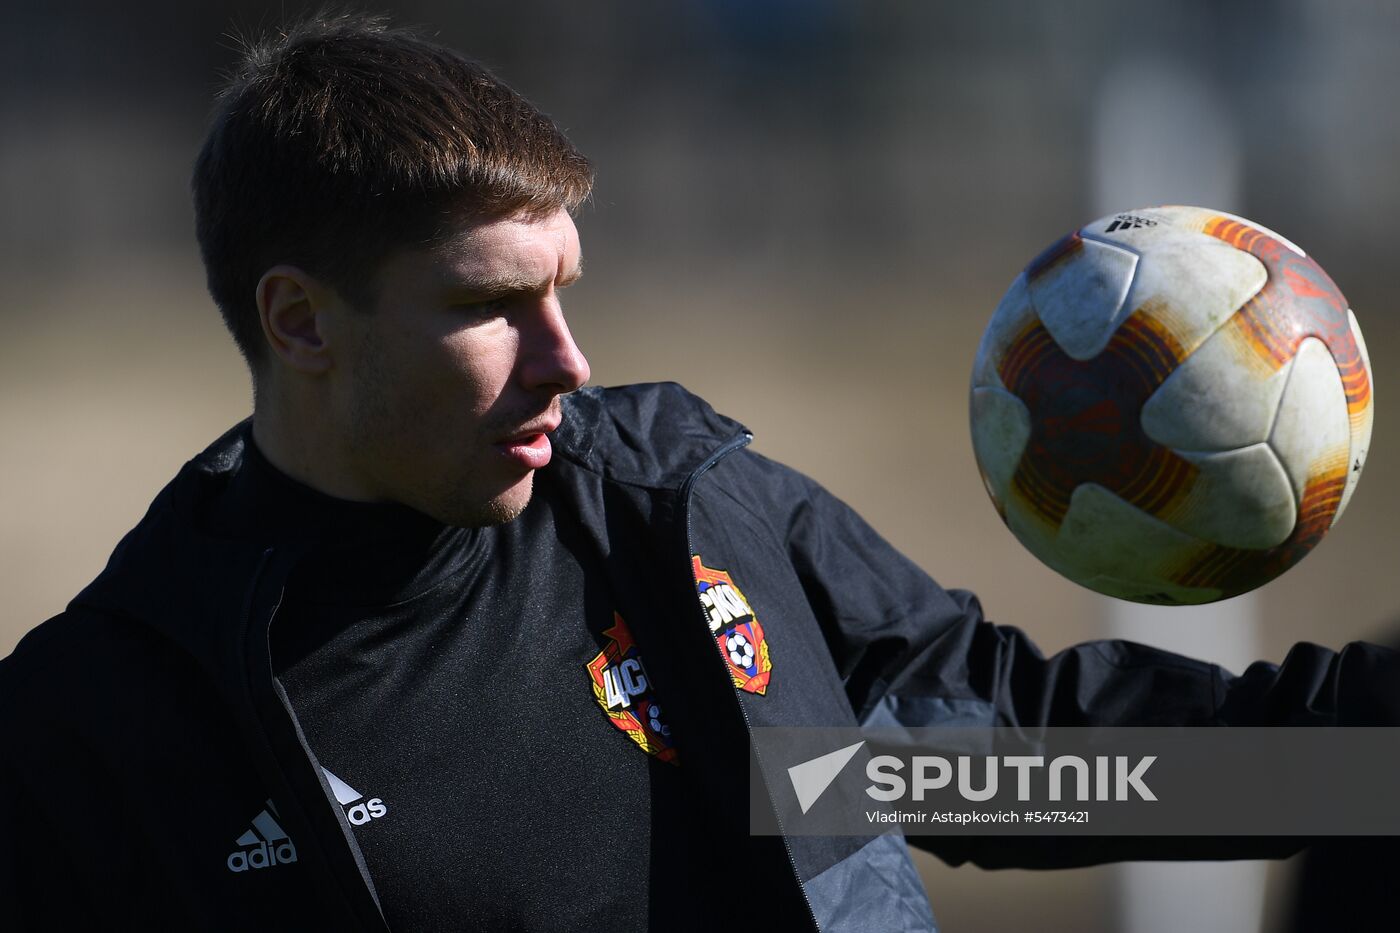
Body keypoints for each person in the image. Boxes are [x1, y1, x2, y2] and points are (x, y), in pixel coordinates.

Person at [1, 13, 1395, 932]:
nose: (571, 359)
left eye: (567, 290)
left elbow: (998, 762)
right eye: (493, 306)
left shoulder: (674, 518)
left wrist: (1363, 757)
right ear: (300, 320)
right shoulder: (108, 727)